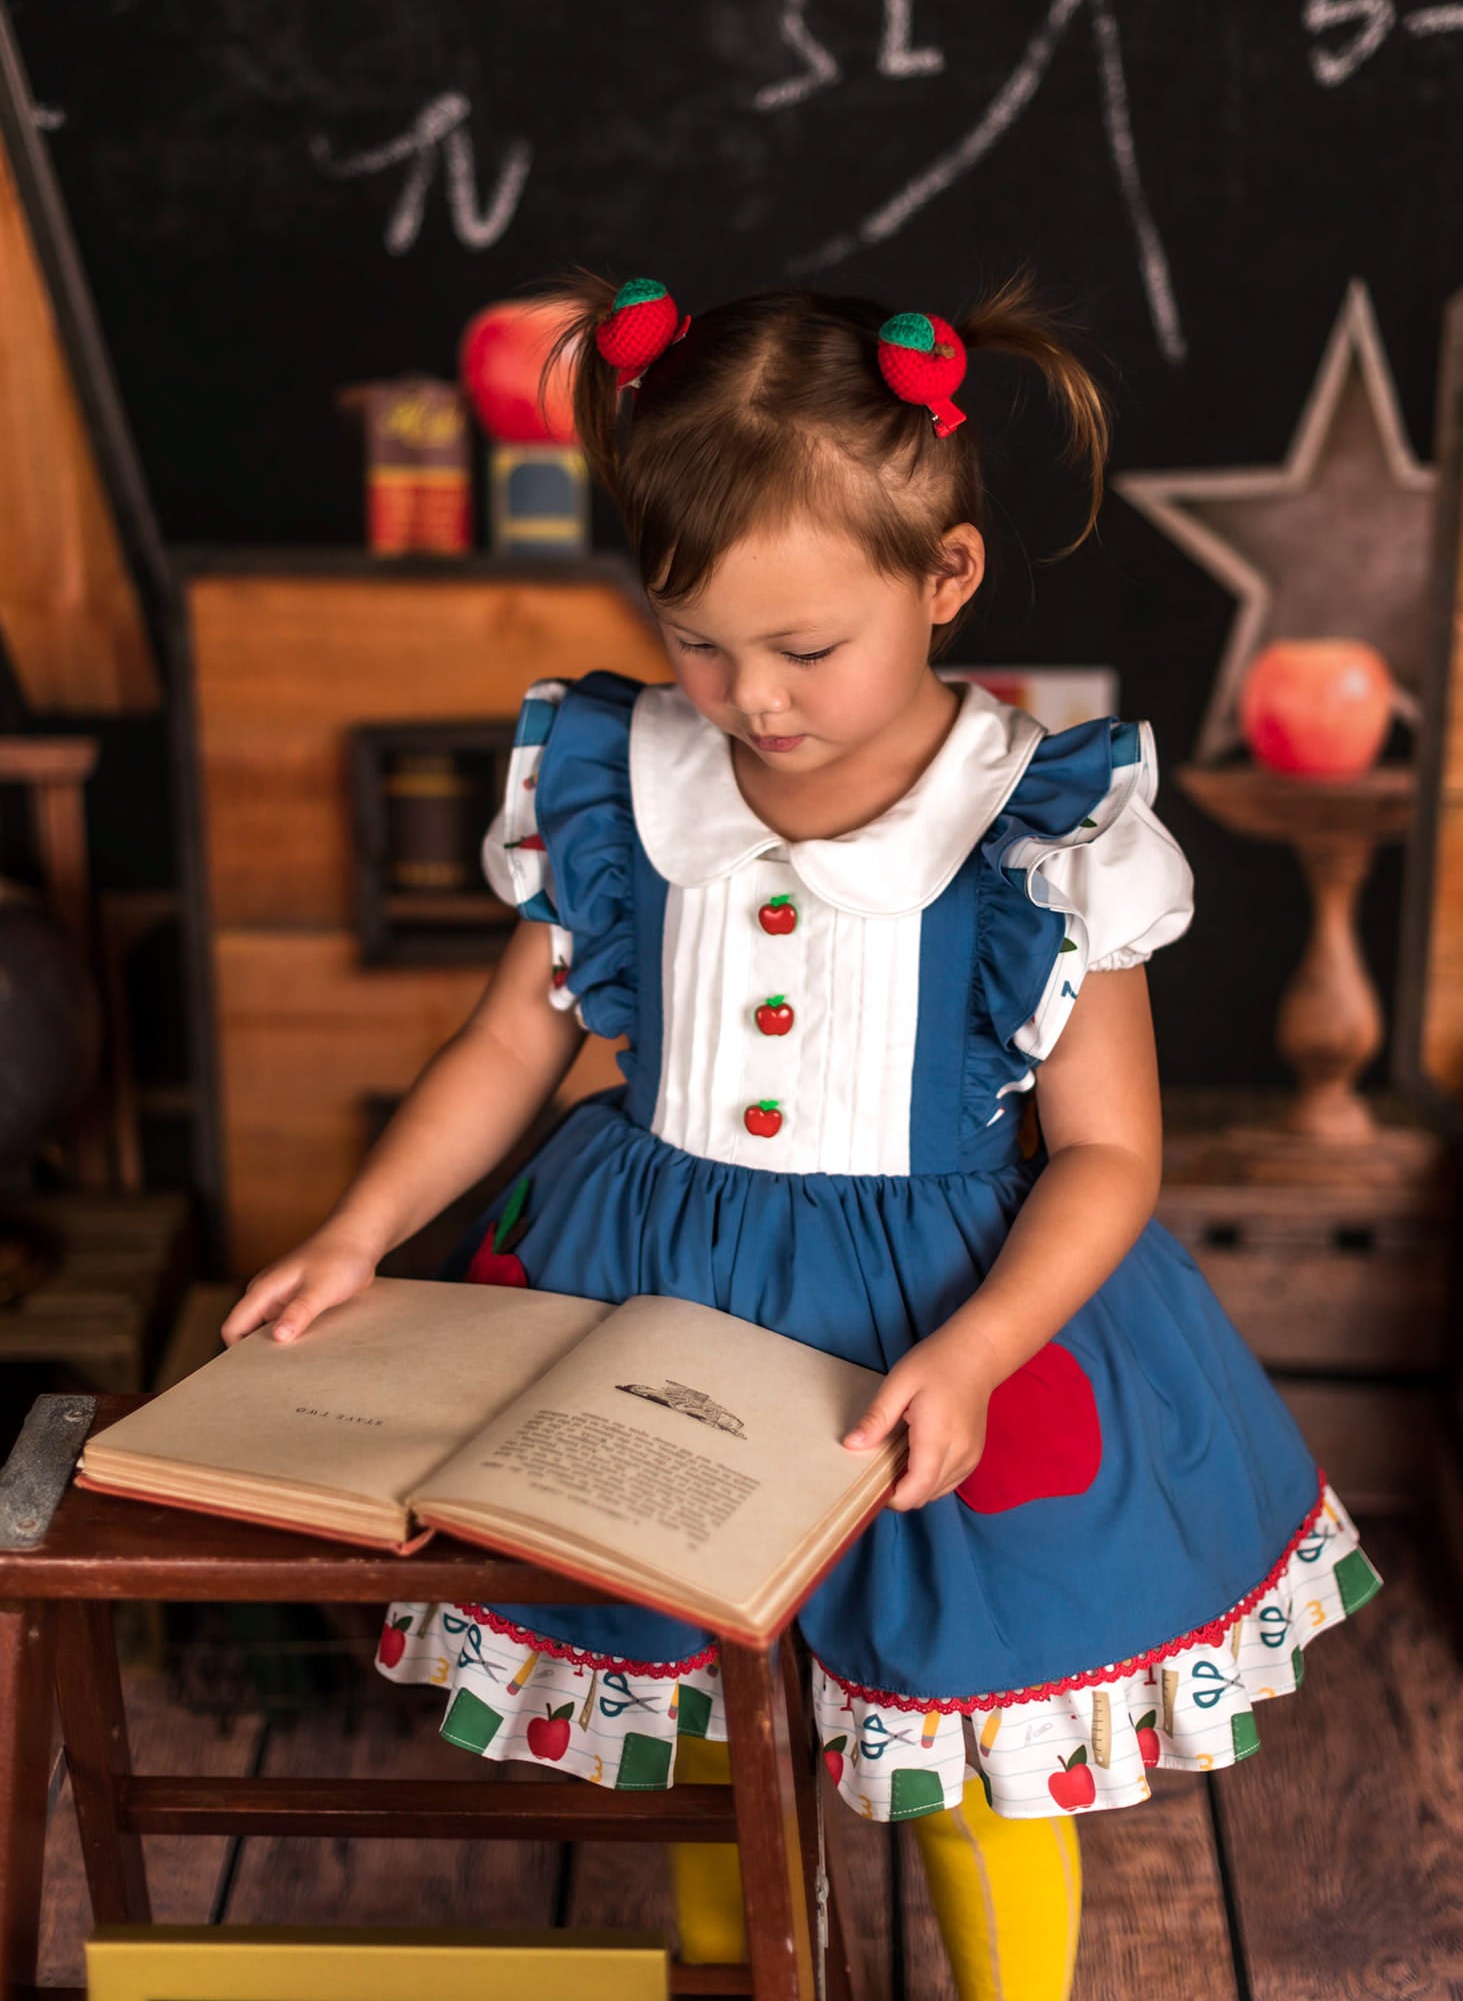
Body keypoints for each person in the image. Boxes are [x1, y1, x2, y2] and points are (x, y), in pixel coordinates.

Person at [221, 270, 1382, 2000]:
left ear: (947, 576)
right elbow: (508, 1040)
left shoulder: (1044, 826)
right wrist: (358, 1227)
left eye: (806, 648)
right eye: (696, 638)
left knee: (973, 1739)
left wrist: (984, 1351)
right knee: (691, 1722)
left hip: (932, 1315)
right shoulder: (621, 775)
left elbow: (1112, 1159)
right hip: (650, 1303)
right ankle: (739, 1979)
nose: (748, 697)